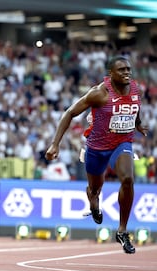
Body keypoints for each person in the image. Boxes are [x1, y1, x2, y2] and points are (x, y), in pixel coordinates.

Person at [45, 55, 148, 254]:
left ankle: (122, 230)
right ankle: (94, 204)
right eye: (122, 70)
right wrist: (54, 144)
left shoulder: (135, 88)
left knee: (128, 179)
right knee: (94, 189)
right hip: (97, 148)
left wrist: (137, 124)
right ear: (111, 74)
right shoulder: (99, 93)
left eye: (128, 69)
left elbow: (134, 107)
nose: (127, 73)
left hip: (122, 143)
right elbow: (69, 113)